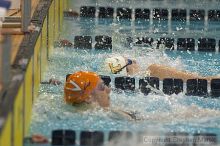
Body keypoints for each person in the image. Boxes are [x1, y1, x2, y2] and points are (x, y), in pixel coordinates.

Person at [64, 71, 139, 120]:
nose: (108, 90)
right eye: (102, 86)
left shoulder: (70, 114)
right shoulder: (112, 116)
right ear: (88, 98)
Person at [104, 55, 219, 82]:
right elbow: (203, 81)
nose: (135, 60)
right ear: (127, 70)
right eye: (129, 60)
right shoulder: (154, 69)